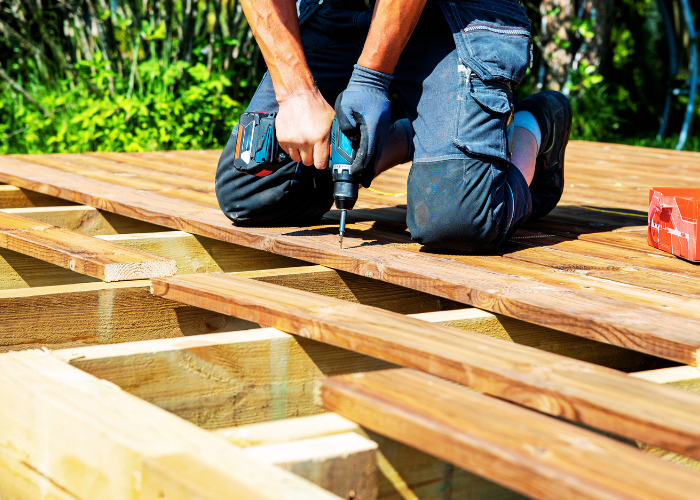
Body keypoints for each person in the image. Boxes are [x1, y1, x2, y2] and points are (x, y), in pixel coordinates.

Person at [215, 0, 572, 252]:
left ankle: (533, 127)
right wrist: (296, 94)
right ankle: (413, 138)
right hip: (339, 7)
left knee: (459, 222)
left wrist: (370, 80)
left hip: (460, 13)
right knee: (251, 193)